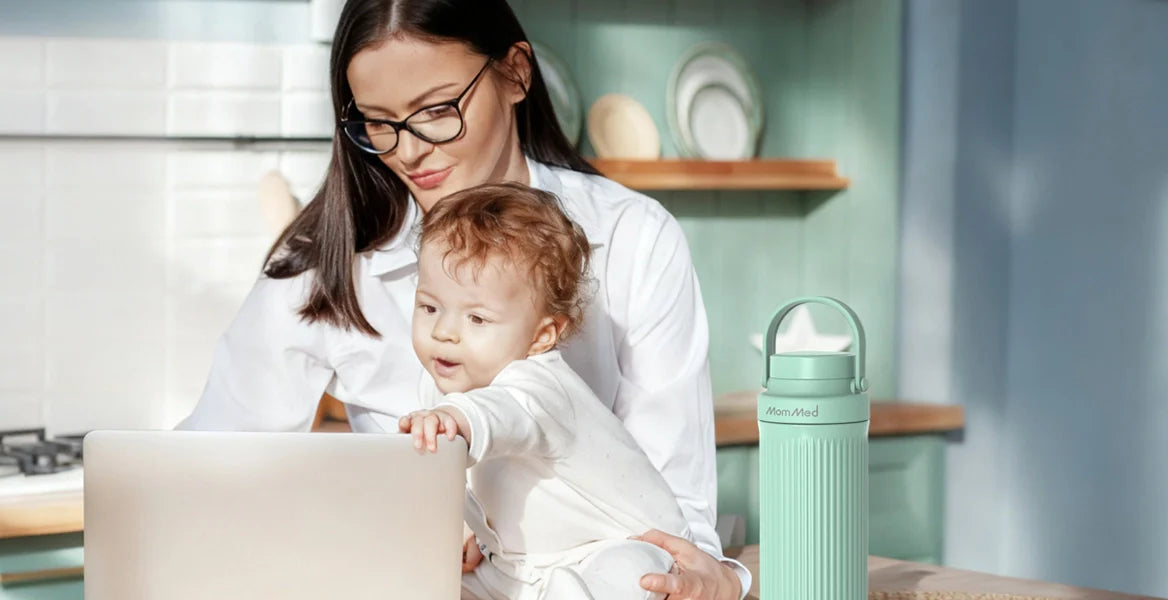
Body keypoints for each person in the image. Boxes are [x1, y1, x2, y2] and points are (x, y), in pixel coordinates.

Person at [176, 0, 748, 597]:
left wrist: (713, 581)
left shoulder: (632, 237)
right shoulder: (324, 261)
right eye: (377, 121)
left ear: (515, 73)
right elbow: (209, 472)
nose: (409, 151)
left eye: (437, 110)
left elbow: (679, 527)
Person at [398, 182, 688, 600]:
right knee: (433, 582)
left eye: (477, 319)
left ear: (542, 336)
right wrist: (466, 525)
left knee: (627, 576)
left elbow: (499, 414)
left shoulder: (542, 386)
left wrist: (455, 420)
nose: (443, 332)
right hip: (519, 563)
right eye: (429, 308)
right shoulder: (443, 384)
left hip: (622, 546)